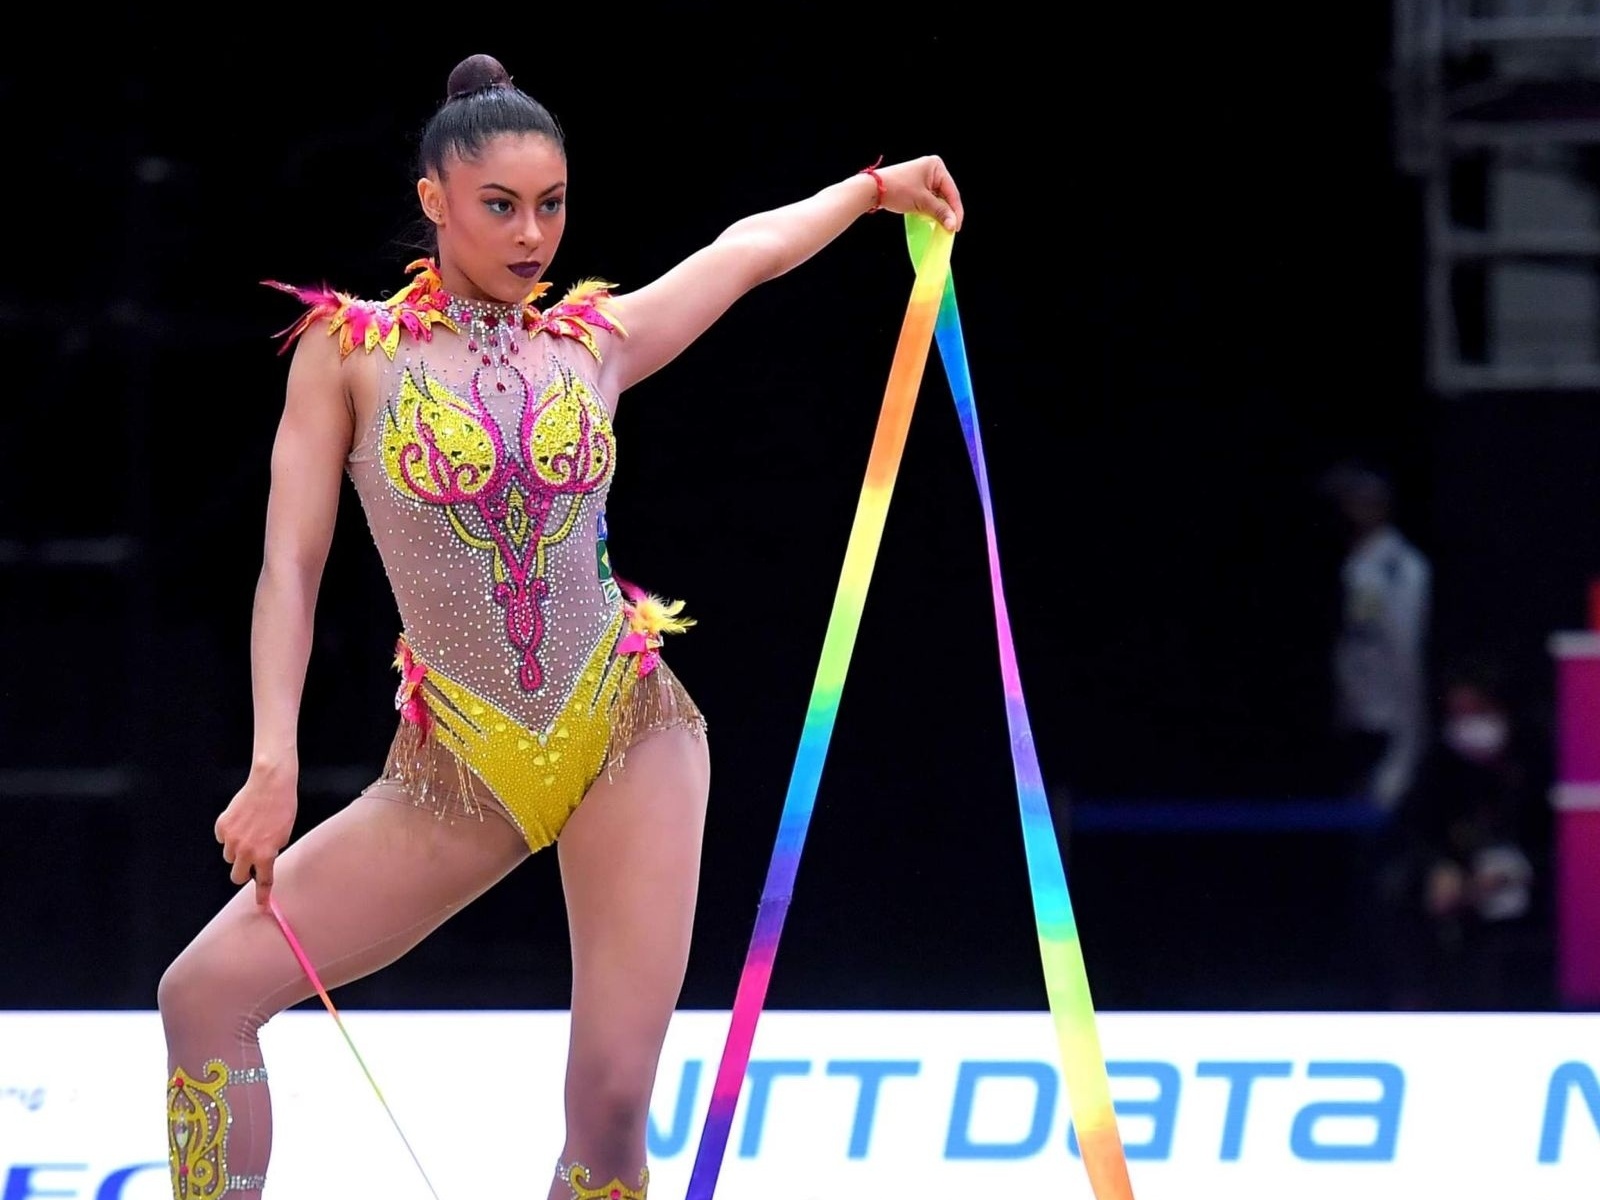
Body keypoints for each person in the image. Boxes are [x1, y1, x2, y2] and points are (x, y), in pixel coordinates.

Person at [156, 52, 963, 1200]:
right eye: (500, 207)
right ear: (435, 200)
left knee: (616, 1104)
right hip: (457, 767)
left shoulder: (593, 345)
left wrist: (873, 191)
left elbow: (743, 254)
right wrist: (273, 761)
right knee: (201, 994)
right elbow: (290, 564)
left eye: (551, 205)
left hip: (628, 732)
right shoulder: (351, 356)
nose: (531, 235)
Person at [1371, 669, 1537, 1009]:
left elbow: (1557, 841)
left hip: (1524, 886)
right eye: (1458, 714)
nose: (1468, 724)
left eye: (1477, 712)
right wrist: (1440, 867)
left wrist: (1514, 870)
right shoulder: (1439, 766)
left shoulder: (1536, 762)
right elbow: (1413, 828)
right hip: (1460, 886)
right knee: (1409, 899)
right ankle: (1412, 1006)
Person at [1320, 461, 1432, 811]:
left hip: (1385, 717)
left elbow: (1404, 652)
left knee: (1381, 810)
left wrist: (1409, 737)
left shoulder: (1398, 567)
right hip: (1355, 711)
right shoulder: (1359, 564)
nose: (1347, 511)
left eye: (1357, 501)